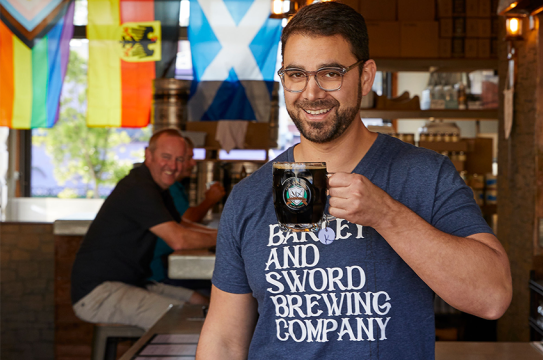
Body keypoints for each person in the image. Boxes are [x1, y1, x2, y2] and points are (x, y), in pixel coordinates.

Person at [197, 3, 512, 359]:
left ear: (365, 77)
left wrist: (387, 215)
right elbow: (223, 340)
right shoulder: (248, 197)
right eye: (296, 74)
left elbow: (493, 297)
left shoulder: (425, 174)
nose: (311, 93)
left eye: (330, 73)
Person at [71, 128, 218, 330]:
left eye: (180, 159)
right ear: (148, 154)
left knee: (201, 302)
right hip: (98, 293)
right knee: (187, 320)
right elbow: (179, 240)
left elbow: (183, 225)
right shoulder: (138, 187)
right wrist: (229, 237)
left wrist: (226, 234)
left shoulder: (158, 187)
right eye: (166, 157)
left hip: (132, 283)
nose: (173, 166)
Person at [148, 136, 225, 284]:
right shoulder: (161, 187)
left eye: (181, 159)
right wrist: (210, 200)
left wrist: (223, 234)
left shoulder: (170, 187)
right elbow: (186, 224)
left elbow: (182, 222)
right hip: (154, 273)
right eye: (187, 158)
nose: (193, 163)